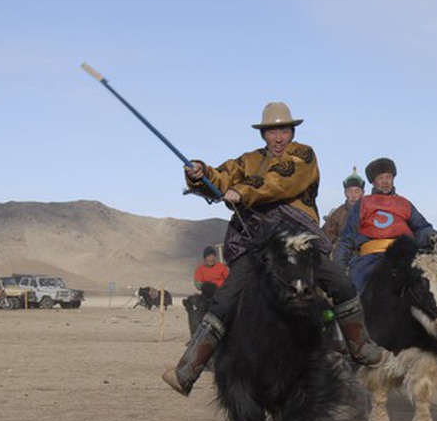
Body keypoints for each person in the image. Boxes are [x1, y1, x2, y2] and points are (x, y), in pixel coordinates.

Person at [161, 102, 388, 396]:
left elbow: (281, 183)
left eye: (284, 130)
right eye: (272, 131)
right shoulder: (248, 160)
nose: (279, 137)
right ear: (263, 134)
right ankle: (188, 369)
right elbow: (222, 176)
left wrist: (241, 192)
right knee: (225, 298)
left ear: (292, 131)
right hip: (257, 237)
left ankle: (359, 346)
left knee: (340, 282)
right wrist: (199, 173)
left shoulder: (303, 154)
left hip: (297, 235)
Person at [334, 157, 437, 292]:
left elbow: (421, 227)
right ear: (373, 181)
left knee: (428, 287)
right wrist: (339, 267)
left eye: (388, 177)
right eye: (380, 178)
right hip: (370, 258)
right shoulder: (362, 204)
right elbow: (347, 237)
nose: (385, 181)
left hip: (403, 255)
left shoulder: (404, 203)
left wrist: (430, 235)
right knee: (356, 289)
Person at [321, 167, 365, 256]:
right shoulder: (338, 213)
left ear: (363, 193)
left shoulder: (369, 210)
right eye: (350, 191)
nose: (353, 195)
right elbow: (326, 235)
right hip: (342, 252)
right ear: (345, 193)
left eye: (357, 191)